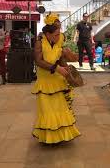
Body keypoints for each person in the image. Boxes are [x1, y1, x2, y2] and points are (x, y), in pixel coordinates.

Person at [31, 16, 80, 144]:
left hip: (57, 82)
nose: (59, 37)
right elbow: (38, 61)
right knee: (47, 111)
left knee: (59, 109)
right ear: (48, 34)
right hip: (44, 82)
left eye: (59, 34)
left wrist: (66, 64)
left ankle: (59, 137)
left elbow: (61, 59)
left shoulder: (58, 41)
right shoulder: (39, 42)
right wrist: (56, 68)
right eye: (56, 34)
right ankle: (49, 138)